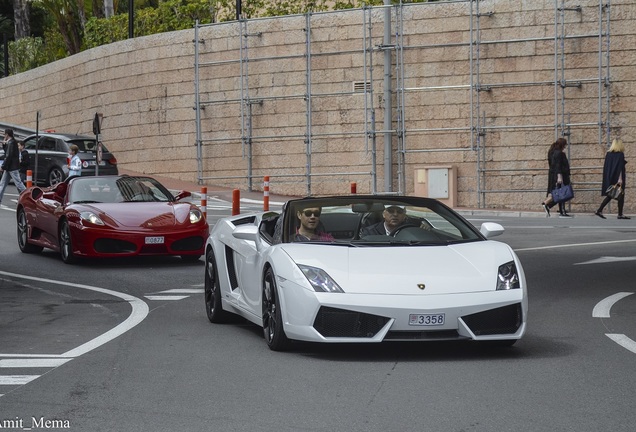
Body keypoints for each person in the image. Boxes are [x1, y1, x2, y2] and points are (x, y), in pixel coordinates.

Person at [595, 138, 629, 219]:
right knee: (618, 194)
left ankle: (601, 210)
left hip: (610, 176)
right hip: (618, 177)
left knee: (614, 194)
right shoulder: (620, 154)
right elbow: (620, 168)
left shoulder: (608, 154)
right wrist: (620, 179)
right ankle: (618, 214)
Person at [541, 137, 572, 218]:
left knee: (559, 193)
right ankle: (546, 204)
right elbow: (558, 166)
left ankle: (551, 207)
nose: (565, 146)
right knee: (562, 194)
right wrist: (559, 176)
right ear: (562, 144)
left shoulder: (552, 152)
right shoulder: (559, 153)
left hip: (553, 175)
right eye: (565, 144)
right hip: (560, 175)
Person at [0, 129, 27, 207]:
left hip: (12, 168)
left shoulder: (12, 143)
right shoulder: (11, 142)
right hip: (10, 167)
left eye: (5, 134)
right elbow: (7, 153)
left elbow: (8, 156)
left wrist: (3, 166)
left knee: (18, 184)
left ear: (7, 135)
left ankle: (29, 196)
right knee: (2, 184)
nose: (4, 136)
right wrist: (4, 145)